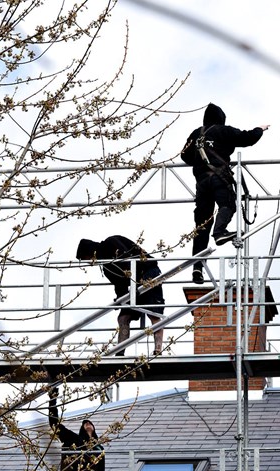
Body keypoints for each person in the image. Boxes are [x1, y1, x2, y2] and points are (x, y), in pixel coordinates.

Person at [181, 103, 268, 284]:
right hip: (219, 177)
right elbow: (247, 139)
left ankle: (197, 266)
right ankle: (220, 232)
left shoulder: (196, 134)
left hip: (202, 182)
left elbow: (184, 155)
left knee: (202, 223)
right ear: (221, 118)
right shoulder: (223, 131)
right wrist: (260, 129)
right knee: (228, 205)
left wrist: (200, 162)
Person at [76, 235, 164, 355]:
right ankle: (120, 351)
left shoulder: (111, 243)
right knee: (123, 318)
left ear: (91, 251)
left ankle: (158, 350)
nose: (90, 262)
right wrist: (121, 299)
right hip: (134, 286)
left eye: (88, 258)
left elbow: (129, 261)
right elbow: (119, 284)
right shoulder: (107, 267)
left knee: (153, 313)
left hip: (148, 273)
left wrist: (137, 285)